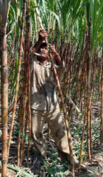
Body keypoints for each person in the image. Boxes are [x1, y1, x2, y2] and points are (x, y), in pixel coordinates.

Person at [30, 29, 76, 166]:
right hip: (37, 105)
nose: (43, 50)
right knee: (36, 133)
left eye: (45, 48)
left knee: (60, 131)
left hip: (53, 105)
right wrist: (40, 40)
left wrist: (56, 55)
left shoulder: (52, 67)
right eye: (41, 48)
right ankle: (42, 158)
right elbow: (29, 54)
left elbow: (62, 67)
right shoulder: (33, 64)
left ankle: (67, 157)